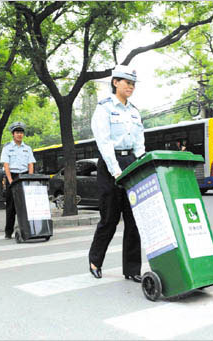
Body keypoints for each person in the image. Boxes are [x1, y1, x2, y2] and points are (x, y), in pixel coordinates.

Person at [88, 65, 145, 283]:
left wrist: (142, 163)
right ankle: (95, 260)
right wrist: (116, 171)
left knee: (134, 219)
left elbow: (139, 142)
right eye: (126, 82)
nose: (130, 86)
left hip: (130, 161)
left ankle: (132, 269)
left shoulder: (134, 111)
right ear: (115, 83)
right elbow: (104, 143)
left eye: (133, 83)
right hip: (110, 163)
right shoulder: (103, 109)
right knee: (110, 218)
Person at [0, 121, 36, 239]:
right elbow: (6, 165)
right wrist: (10, 180)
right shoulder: (7, 148)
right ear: (13, 134)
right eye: (17, 132)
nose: (19, 135)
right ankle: (8, 231)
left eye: (21, 132)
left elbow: (31, 164)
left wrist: (29, 178)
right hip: (13, 176)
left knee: (26, 205)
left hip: (25, 176)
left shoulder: (28, 148)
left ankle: (26, 228)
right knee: (11, 206)